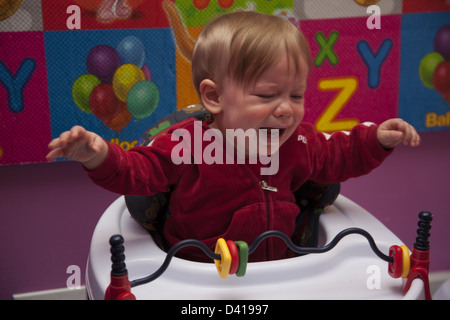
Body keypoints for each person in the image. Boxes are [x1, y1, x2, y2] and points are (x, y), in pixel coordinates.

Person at [47, 11, 420, 262]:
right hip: (199, 279)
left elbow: (339, 154)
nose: (286, 109)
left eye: (296, 95)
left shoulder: (299, 142)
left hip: (284, 274)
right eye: (265, 95)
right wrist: (97, 155)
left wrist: (377, 139)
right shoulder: (187, 144)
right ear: (214, 97)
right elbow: (136, 171)